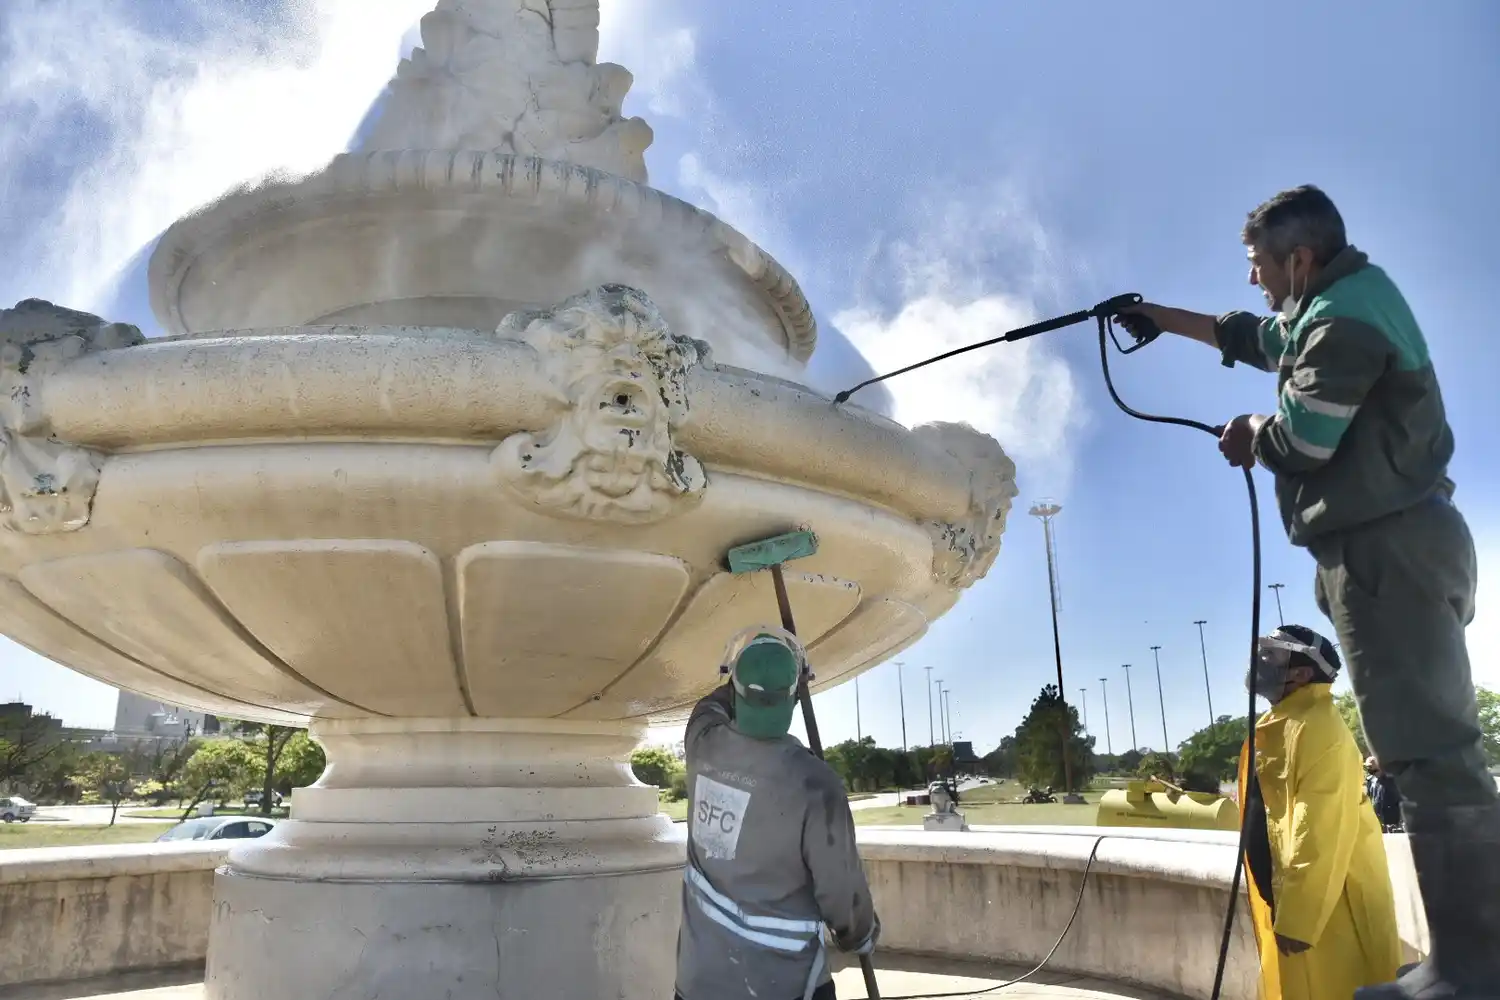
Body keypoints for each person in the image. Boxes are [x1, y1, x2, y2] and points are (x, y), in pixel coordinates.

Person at [1122, 185, 1497, 999]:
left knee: (1430, 752)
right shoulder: (1326, 302)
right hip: (1382, 545)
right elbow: (1257, 335)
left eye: (1259, 266)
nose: (1254, 280)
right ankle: (1469, 966)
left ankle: (1474, 970)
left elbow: (1306, 438)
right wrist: (1157, 314)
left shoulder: (1343, 317)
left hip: (1389, 549)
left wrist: (1254, 433)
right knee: (1416, 743)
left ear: (1298, 259)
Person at [674, 628, 878, 1000]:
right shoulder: (815, 784)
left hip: (699, 983)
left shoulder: (703, 743)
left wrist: (747, 666)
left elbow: (711, 703)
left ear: (735, 690)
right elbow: (842, 896)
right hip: (786, 986)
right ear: (795, 697)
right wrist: (860, 934)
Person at [1236, 625, 1402, 1000]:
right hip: (1294, 902)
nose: (1259, 662)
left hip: (1330, 911)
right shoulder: (1281, 725)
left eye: (1272, 655)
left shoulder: (1319, 728)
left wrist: (1300, 917)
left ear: (1301, 673)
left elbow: (1319, 828)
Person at [1366, 757, 1404, 832]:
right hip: (1375, 818)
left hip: (1390, 820)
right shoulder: (1371, 781)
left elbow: (1400, 800)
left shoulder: (1392, 781)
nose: (1369, 770)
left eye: (1371, 767)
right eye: (1369, 769)